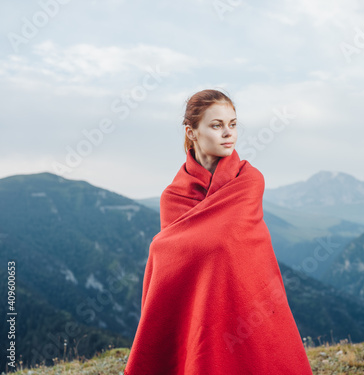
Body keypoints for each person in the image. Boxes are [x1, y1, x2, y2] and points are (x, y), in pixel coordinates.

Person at [124, 89, 313, 375]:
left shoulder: (249, 181)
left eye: (233, 124)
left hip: (249, 308)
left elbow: (219, 243)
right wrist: (166, 248)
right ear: (192, 131)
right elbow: (177, 268)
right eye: (217, 125)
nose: (229, 133)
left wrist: (166, 246)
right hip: (197, 312)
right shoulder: (173, 197)